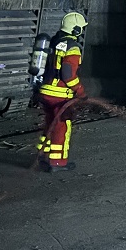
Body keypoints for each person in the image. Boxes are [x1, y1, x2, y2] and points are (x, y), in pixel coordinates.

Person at [35, 12, 89, 172]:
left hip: (45, 91)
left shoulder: (54, 41)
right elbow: (68, 76)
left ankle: (42, 156)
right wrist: (80, 91)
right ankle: (57, 162)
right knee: (61, 127)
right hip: (60, 95)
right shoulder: (73, 48)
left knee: (50, 123)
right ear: (76, 29)